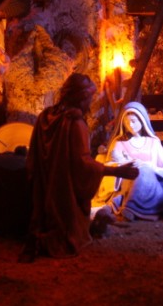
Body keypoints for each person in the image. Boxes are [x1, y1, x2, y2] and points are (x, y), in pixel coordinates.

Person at [20, 73, 139, 262]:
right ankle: (44, 242)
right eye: (89, 98)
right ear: (80, 97)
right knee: (67, 233)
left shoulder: (45, 117)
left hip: (42, 186)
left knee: (45, 219)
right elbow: (82, 164)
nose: (90, 102)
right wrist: (115, 171)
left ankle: (37, 235)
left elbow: (34, 153)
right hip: (63, 189)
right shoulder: (74, 122)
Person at [103, 101, 163, 221]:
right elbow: (111, 166)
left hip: (153, 179)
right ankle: (132, 207)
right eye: (127, 122)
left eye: (133, 121)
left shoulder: (153, 142)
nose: (130, 125)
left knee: (145, 170)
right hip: (130, 179)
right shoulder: (119, 143)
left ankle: (131, 207)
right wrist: (124, 163)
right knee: (140, 171)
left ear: (142, 121)